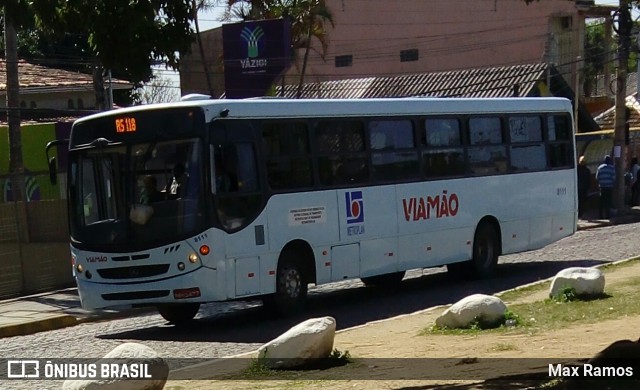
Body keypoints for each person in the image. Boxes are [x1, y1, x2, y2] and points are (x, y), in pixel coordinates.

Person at [595, 155, 615, 219]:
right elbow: (614, 178)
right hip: (609, 187)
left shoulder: (600, 168)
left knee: (602, 202)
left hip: (602, 187)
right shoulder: (612, 168)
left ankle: (600, 215)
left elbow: (597, 177)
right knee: (608, 201)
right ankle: (607, 215)